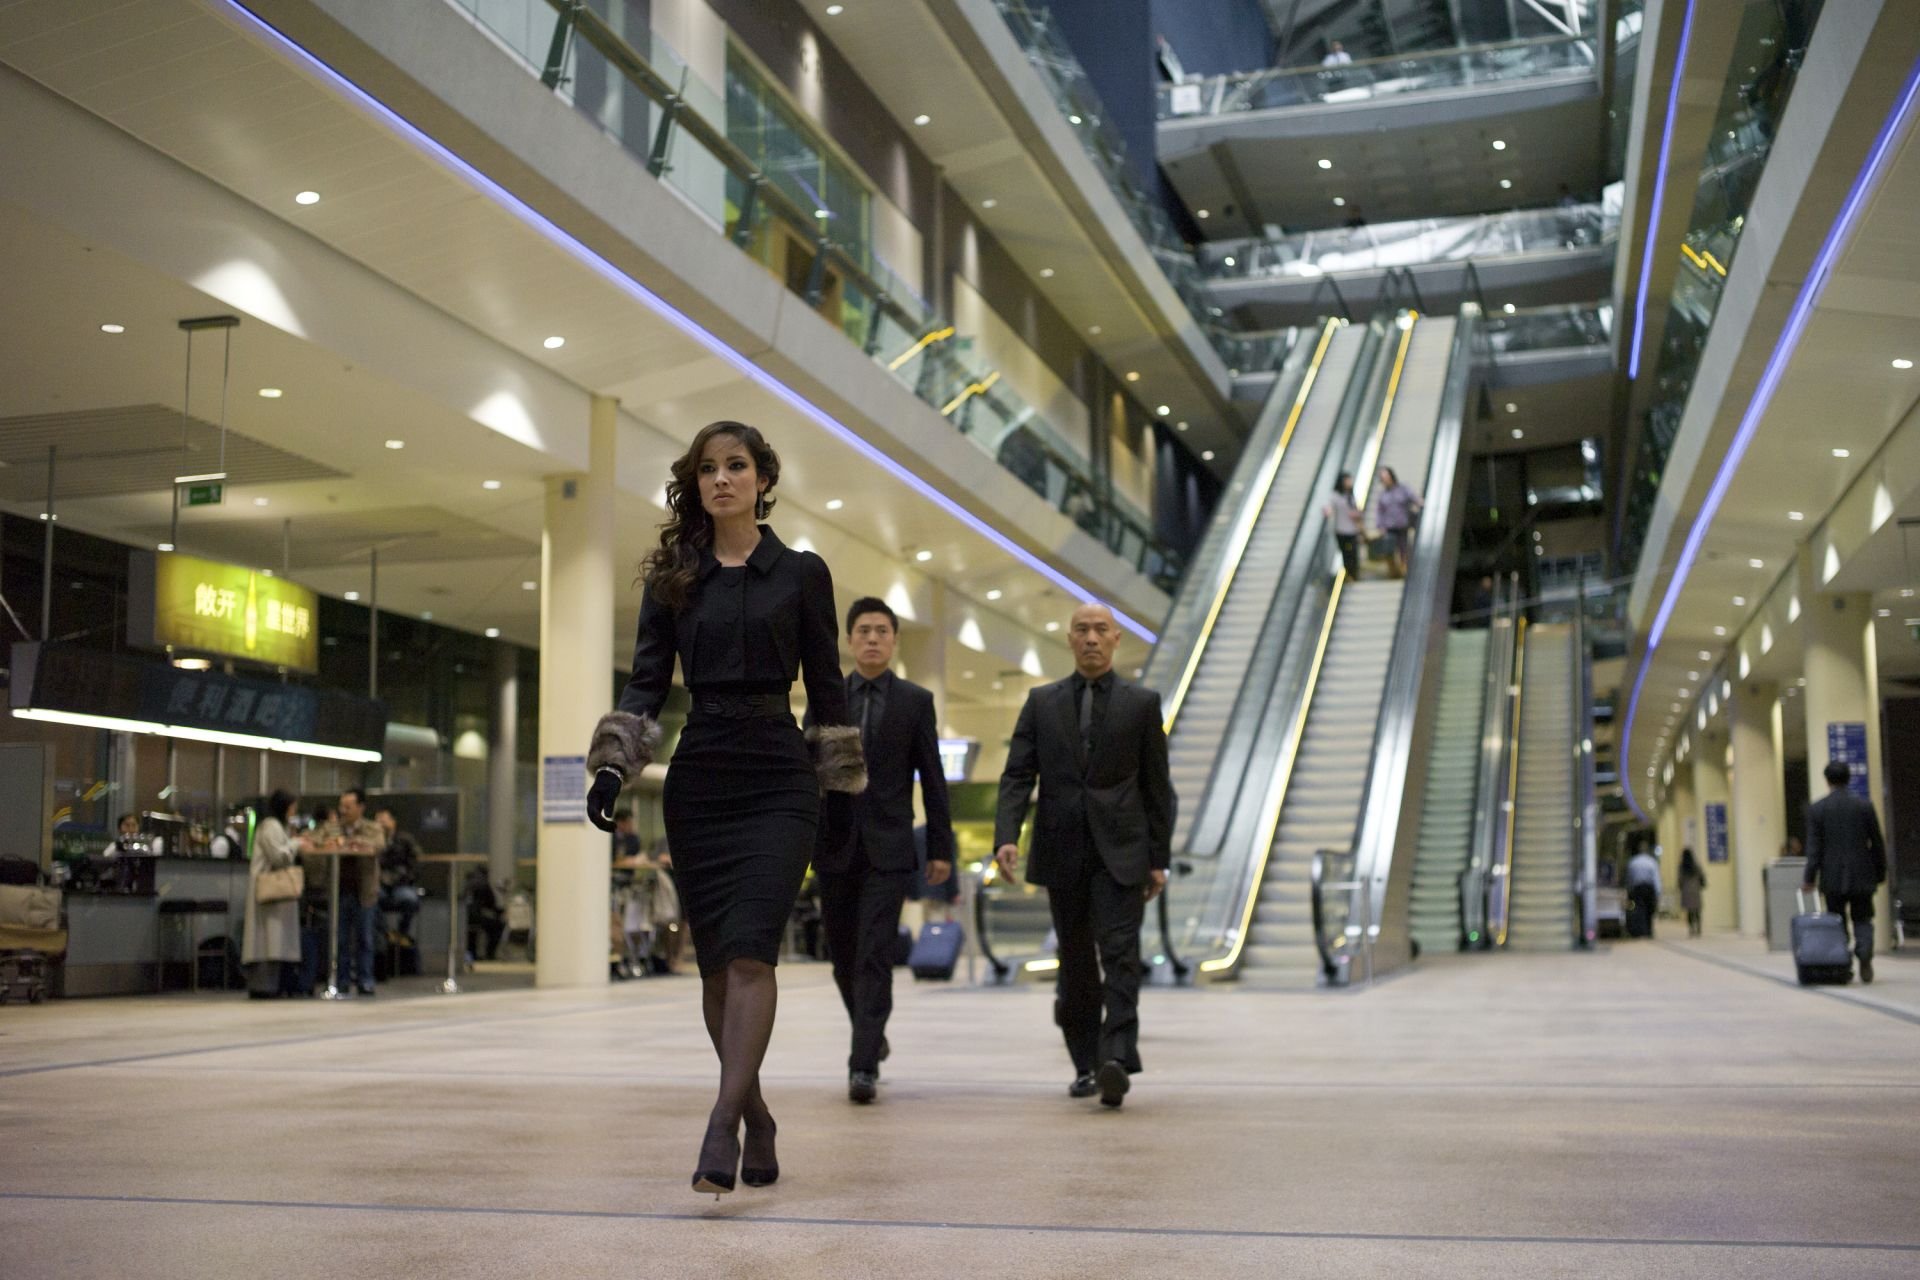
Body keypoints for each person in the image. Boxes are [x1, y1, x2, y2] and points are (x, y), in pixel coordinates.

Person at [585, 419, 862, 1196]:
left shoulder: (803, 574)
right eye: (707, 468)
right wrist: (611, 768)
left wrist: (839, 794)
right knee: (715, 967)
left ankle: (720, 1124)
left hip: (778, 776)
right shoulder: (674, 577)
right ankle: (758, 1115)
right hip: (700, 774)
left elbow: (828, 692)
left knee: (750, 953)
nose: (721, 479)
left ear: (764, 480)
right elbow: (646, 683)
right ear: (695, 483)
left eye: (736, 466)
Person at [994, 602, 1176, 1110]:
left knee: (1120, 956)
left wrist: (1158, 857)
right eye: (1082, 630)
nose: (1091, 638)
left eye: (1101, 630)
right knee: (1075, 964)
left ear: (1116, 639)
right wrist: (1007, 836)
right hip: (1062, 849)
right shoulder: (1041, 702)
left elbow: (1157, 787)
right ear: (1069, 640)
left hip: (1123, 851)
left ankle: (1117, 1054)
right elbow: (1017, 776)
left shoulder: (1142, 704)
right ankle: (1084, 1064)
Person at [814, 596, 954, 1105]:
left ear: (893, 640)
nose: (872, 638)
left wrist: (941, 845)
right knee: (841, 957)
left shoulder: (915, 701)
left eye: (881, 631)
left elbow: (933, 777)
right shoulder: (828, 697)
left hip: (890, 847)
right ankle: (869, 1032)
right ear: (850, 641)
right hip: (834, 845)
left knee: (874, 953)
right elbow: (811, 774)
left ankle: (862, 1064)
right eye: (863, 631)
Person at [1801, 760, 1888, 983]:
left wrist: (1809, 878)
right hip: (1862, 874)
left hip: (1831, 877)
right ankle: (1865, 952)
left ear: (1827, 780)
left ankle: (1843, 962)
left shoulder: (1818, 809)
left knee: (1837, 921)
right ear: (1848, 779)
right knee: (1863, 917)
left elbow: (1814, 849)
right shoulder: (1864, 806)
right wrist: (1880, 872)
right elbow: (1877, 843)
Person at [317, 787, 386, 997]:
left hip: (364, 892)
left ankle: (366, 981)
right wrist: (327, 843)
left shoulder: (372, 828)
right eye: (341, 806)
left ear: (360, 807)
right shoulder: (332, 828)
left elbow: (379, 845)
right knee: (340, 938)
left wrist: (359, 842)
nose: (343, 810)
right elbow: (316, 841)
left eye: (348, 806)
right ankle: (342, 981)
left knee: (365, 938)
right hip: (339, 890)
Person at [242, 790, 303, 998]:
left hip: (270, 892)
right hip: (269, 891)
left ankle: (270, 985)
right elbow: (279, 856)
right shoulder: (271, 826)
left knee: (270, 940)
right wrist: (297, 843)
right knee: (268, 939)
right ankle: (265, 986)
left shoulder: (274, 826)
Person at [372, 807, 421, 941]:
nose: (380, 824)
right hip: (380, 884)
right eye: (378, 821)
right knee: (369, 900)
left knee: (410, 900)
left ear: (393, 822)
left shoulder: (405, 840)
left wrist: (407, 878)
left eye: (383, 820)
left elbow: (415, 862)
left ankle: (402, 932)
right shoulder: (373, 842)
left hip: (402, 883)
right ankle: (387, 933)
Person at [1371, 466, 1422, 579]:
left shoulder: (1403, 489)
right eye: (1383, 478)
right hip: (1389, 527)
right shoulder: (1383, 495)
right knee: (1390, 551)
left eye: (1386, 477)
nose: (1385, 480)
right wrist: (1380, 526)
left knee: (1404, 549)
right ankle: (1394, 572)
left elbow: (1414, 498)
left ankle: (1406, 571)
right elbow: (1379, 512)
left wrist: (1420, 502)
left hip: (1402, 525)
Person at [1325, 472, 1364, 581]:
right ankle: (1349, 574)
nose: (1349, 483)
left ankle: (1355, 574)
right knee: (1345, 554)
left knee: (1353, 553)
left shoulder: (1351, 495)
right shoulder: (1335, 496)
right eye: (1347, 480)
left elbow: (1357, 511)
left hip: (1353, 529)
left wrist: (1357, 514)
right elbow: (1329, 507)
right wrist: (1327, 511)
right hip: (1341, 530)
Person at [463, 866, 505, 963]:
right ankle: (490, 954)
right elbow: (491, 904)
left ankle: (472, 954)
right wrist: (500, 912)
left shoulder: (468, 884)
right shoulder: (484, 885)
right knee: (498, 926)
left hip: (466, 917)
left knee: (472, 932)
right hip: (478, 917)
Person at [1624, 842, 1660, 938]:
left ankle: (1641, 930)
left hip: (1638, 889)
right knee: (1649, 910)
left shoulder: (1633, 862)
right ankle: (1649, 931)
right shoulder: (1652, 862)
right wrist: (1658, 892)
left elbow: (1629, 878)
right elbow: (1656, 878)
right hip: (1649, 888)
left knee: (1639, 909)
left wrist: (1629, 890)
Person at [1677, 847, 1707, 938]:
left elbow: (1680, 879)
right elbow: (1702, 876)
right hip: (1695, 889)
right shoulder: (1696, 865)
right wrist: (1702, 885)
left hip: (1686, 890)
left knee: (1689, 911)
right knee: (1697, 910)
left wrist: (1680, 887)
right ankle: (1698, 928)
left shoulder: (1682, 866)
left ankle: (1691, 929)